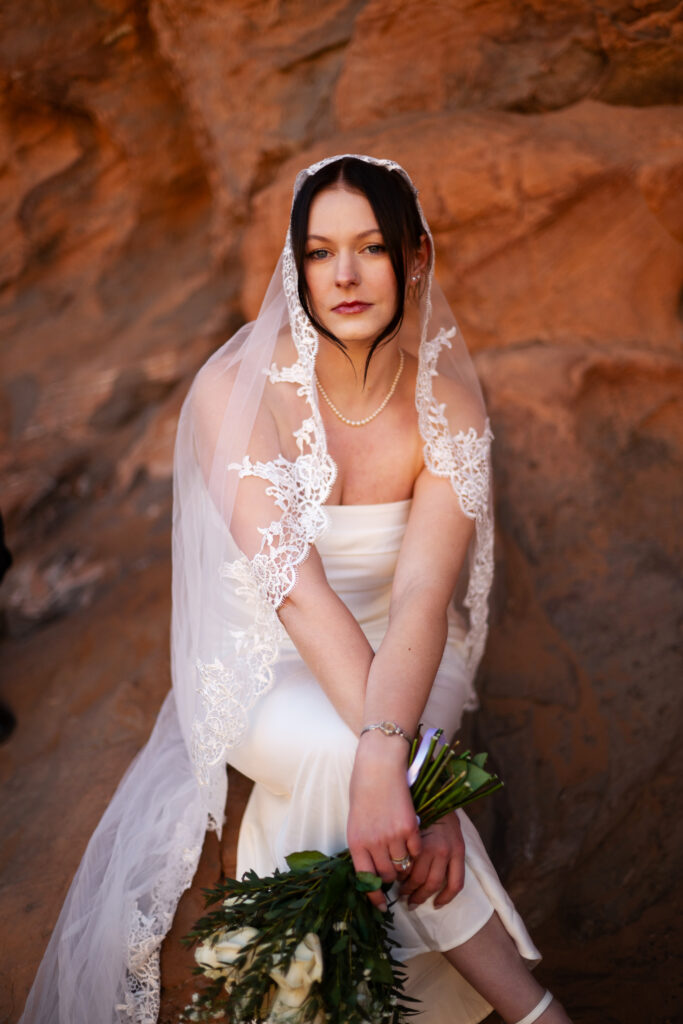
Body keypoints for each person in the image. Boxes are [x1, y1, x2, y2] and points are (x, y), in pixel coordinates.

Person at [19, 156, 571, 1024]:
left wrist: (398, 757)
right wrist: (418, 786)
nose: (343, 276)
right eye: (318, 253)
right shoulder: (235, 393)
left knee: (362, 758)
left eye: (370, 249)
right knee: (337, 754)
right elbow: (298, 594)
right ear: (296, 266)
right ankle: (532, 1008)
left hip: (411, 647)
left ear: (416, 258)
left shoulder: (451, 408)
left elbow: (424, 599)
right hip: (263, 648)